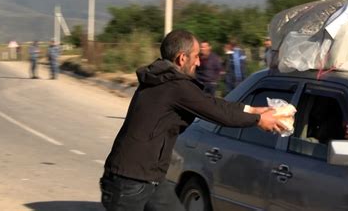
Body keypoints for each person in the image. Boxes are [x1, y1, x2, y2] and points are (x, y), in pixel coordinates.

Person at [99, 29, 288, 211]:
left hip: (150, 179)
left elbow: (211, 103)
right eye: (196, 56)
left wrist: (254, 109)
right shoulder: (175, 86)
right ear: (182, 58)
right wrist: (258, 120)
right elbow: (217, 112)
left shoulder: (160, 78)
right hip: (128, 182)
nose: (199, 62)